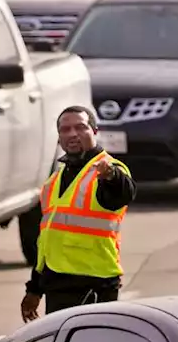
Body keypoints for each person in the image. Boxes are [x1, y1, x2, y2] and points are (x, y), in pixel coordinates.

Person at [21, 106, 136, 322]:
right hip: (57, 285)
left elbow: (121, 194)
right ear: (59, 139)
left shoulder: (109, 168)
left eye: (80, 127)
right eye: (65, 129)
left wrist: (110, 176)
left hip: (94, 284)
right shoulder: (54, 181)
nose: (72, 134)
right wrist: (34, 289)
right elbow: (47, 242)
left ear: (94, 131)